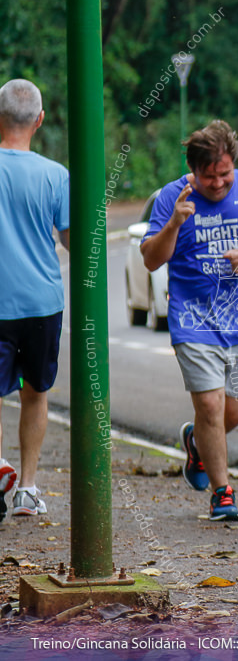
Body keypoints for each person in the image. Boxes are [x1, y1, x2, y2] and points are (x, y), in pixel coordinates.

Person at [141, 120, 238, 521]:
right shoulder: (171, 197)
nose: (217, 183)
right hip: (192, 318)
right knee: (209, 405)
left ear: (234, 164)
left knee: (234, 413)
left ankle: (196, 444)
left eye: (224, 173)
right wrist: (174, 222)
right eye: (208, 176)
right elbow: (152, 258)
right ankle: (222, 493)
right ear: (193, 169)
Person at [0, 79, 70, 522]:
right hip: (43, 302)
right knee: (36, 392)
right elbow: (71, 240)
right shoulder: (56, 174)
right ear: (40, 120)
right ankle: (27, 488)